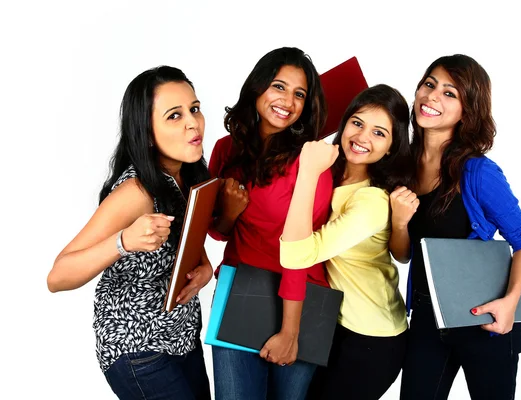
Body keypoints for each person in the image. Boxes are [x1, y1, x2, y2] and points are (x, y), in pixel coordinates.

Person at [47, 66, 212, 399]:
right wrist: (122, 242)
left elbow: (182, 241)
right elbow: (57, 276)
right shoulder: (136, 192)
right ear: (148, 133)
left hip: (180, 338)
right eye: (174, 116)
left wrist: (204, 267)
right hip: (137, 348)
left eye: (194, 109)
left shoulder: (189, 175)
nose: (193, 122)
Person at [389, 54, 521, 400]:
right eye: (429, 84)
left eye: (450, 93)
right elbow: (404, 253)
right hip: (428, 317)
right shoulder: (403, 167)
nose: (432, 97)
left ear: (467, 111)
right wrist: (399, 221)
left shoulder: (478, 173)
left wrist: (509, 302)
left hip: (485, 319)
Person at [207, 47, 331, 400]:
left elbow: (302, 249)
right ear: (258, 87)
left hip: (302, 301)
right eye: (279, 86)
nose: (287, 101)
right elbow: (218, 231)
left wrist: (290, 331)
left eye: (299, 94)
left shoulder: (311, 161)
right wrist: (230, 212)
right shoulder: (225, 149)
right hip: (239, 289)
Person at [279, 84, 415, 400]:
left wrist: (308, 173)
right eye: (357, 122)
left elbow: (298, 255)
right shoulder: (334, 172)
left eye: (379, 133)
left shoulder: (371, 201)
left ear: (392, 147)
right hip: (335, 322)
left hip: (373, 338)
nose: (362, 137)